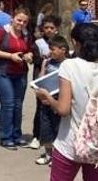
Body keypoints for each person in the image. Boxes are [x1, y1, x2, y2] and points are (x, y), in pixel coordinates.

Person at [35, 23, 98, 179]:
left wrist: (48, 98)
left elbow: (63, 109)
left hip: (70, 142)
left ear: (76, 43)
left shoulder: (69, 65)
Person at [0, 7, 33, 149]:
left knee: (18, 105)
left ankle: (16, 135)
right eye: (19, 20)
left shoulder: (26, 34)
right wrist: (10, 56)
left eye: (24, 22)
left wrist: (29, 55)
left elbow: (29, 49)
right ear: (12, 18)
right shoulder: (2, 31)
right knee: (8, 104)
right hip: (3, 72)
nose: (21, 24)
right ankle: (6, 136)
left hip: (20, 73)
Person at [34, 35, 69, 165]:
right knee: (45, 127)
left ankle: (57, 156)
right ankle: (48, 154)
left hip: (60, 100)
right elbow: (40, 78)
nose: (51, 52)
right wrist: (43, 66)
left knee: (58, 128)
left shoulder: (68, 64)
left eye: (53, 49)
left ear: (63, 49)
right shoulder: (48, 62)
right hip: (45, 100)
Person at [30, 14, 63, 150]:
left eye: (52, 27)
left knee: (56, 110)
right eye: (46, 27)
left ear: (57, 29)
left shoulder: (61, 42)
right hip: (41, 79)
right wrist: (45, 59)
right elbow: (36, 60)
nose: (49, 30)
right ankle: (37, 136)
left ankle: (57, 138)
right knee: (40, 109)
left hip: (57, 82)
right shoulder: (38, 43)